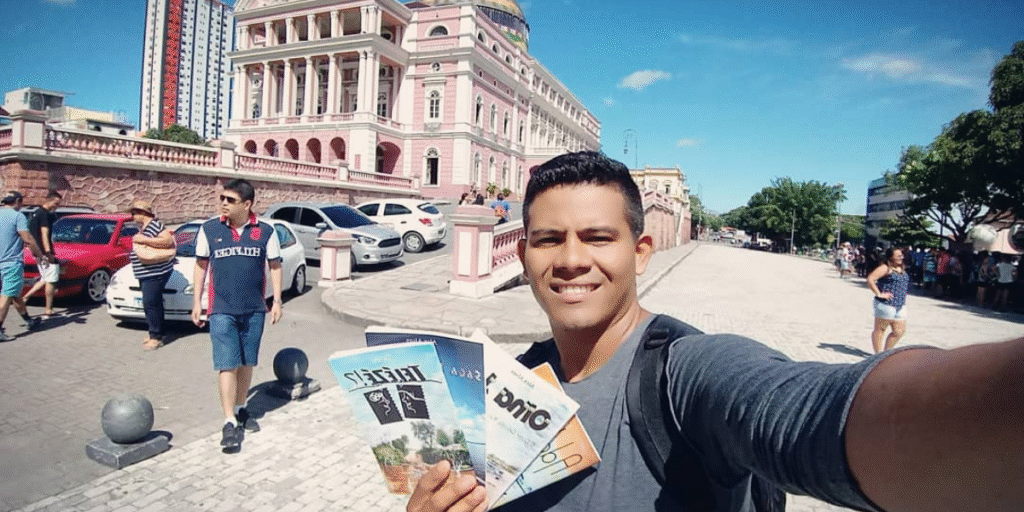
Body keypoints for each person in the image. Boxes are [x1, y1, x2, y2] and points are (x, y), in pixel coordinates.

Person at [407, 151, 1024, 512]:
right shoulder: (502, 382)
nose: (570, 260)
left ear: (642, 251)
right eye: (548, 239)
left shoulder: (685, 370)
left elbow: (801, 411)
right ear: (524, 256)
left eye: (598, 237)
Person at [191, 179, 283, 452]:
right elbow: (200, 266)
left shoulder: (266, 231)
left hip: (254, 309)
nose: (223, 204)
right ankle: (229, 420)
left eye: (230, 200)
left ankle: (242, 408)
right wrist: (197, 302)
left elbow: (275, 266)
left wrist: (277, 301)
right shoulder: (209, 230)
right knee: (227, 363)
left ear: (247, 204)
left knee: (246, 363)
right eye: (222, 198)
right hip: (221, 310)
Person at [128, 199, 176, 350]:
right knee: (153, 303)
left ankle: (156, 336)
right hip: (147, 272)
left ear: (143, 213)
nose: (132, 216)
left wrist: (144, 240)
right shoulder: (145, 227)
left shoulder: (155, 225)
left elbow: (167, 240)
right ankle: (154, 331)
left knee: (150, 303)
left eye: (134, 213)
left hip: (155, 272)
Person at [0, 191, 45, 342]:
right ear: (17, 201)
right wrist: (39, 256)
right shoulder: (18, 216)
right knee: (6, 296)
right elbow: (28, 239)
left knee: (14, 293)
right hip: (10, 263)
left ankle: (29, 321)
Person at [21, 190, 62, 319]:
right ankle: (48, 309)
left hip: (36, 251)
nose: (56, 206)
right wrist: (49, 253)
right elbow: (44, 234)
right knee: (51, 280)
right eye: (56, 203)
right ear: (49, 200)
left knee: (45, 277)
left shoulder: (35, 213)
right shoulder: (44, 215)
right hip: (44, 251)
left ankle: (25, 297)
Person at [866, 247, 910, 354]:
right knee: (880, 330)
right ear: (891, 257)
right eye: (898, 255)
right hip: (886, 304)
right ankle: (878, 354)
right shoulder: (885, 268)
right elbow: (870, 279)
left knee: (899, 331)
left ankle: (886, 353)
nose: (901, 257)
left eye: (902, 255)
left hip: (900, 304)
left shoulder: (901, 268)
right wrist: (879, 294)